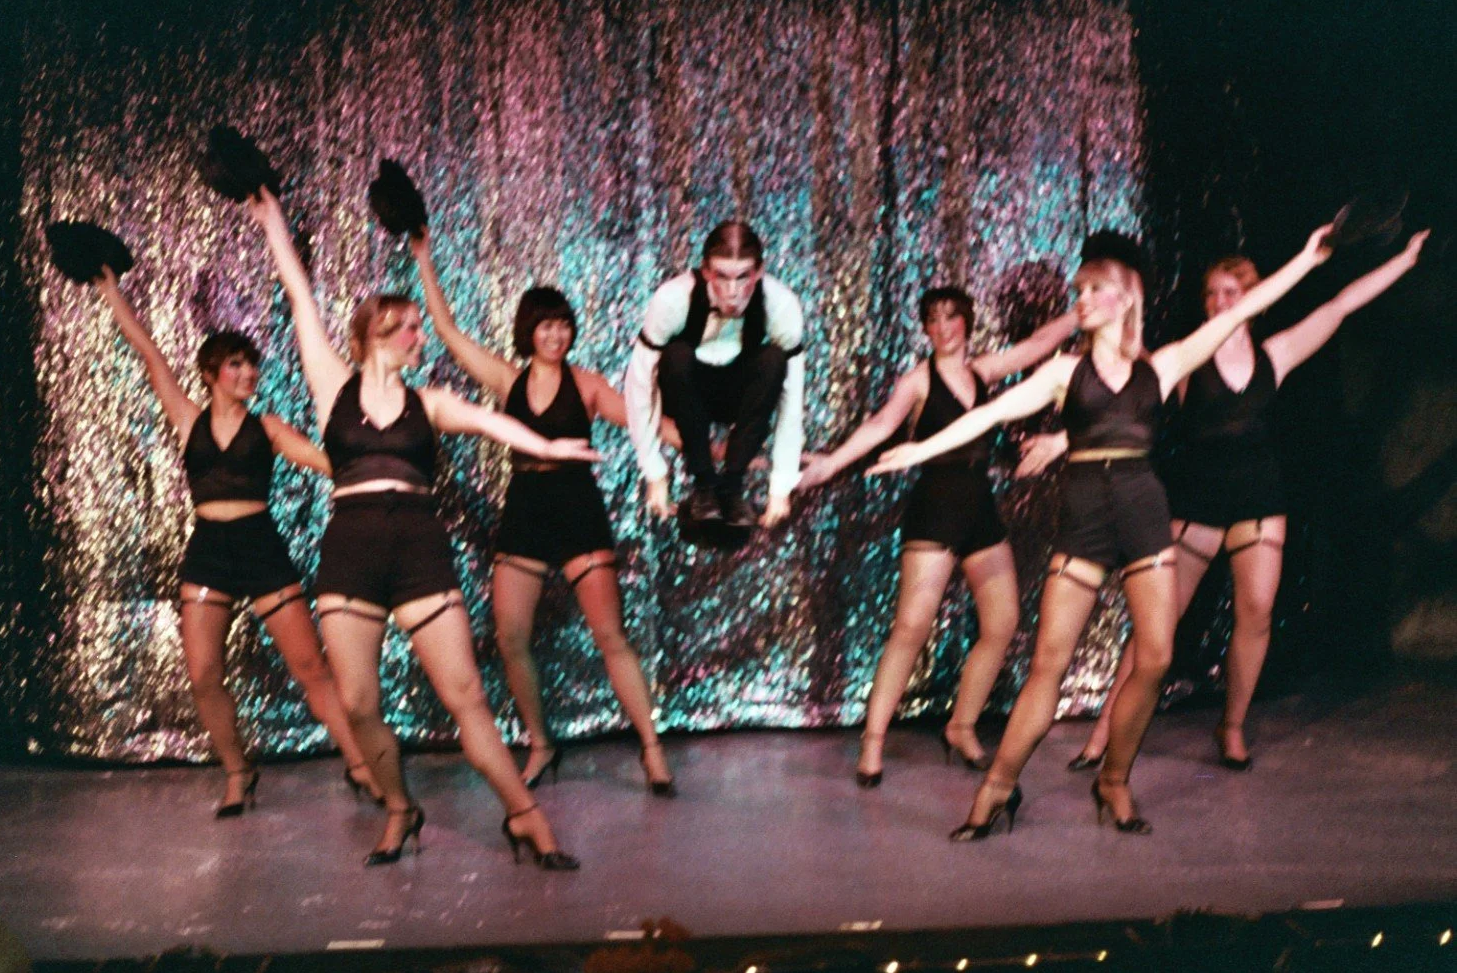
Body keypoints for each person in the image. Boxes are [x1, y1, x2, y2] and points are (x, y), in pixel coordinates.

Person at [868, 225, 1332, 837]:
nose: (1080, 298)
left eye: (1093, 289)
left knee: (1157, 656)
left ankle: (1113, 780)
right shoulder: (1065, 372)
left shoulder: (1163, 367)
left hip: (1142, 507)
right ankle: (996, 790)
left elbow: (1242, 309)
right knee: (1047, 667)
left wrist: (1306, 256)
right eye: (1078, 288)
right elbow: (990, 412)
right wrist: (918, 448)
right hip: (1085, 515)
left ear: (1126, 299)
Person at [245, 188, 596, 868]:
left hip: (417, 547)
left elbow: (497, 423)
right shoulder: (330, 384)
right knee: (356, 702)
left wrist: (550, 448)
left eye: (417, 327)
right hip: (350, 549)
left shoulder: (428, 401)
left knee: (465, 694)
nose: (418, 336)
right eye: (407, 327)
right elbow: (298, 296)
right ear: (374, 331)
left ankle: (526, 817)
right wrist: (273, 223)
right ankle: (401, 807)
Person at [1036, 230, 1429, 771]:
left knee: (1257, 614)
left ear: (1253, 295)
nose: (1220, 302)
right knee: (1160, 623)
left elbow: (1340, 305)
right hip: (1197, 497)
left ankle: (1233, 725)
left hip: (1259, 496)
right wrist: (1063, 438)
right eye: (1212, 294)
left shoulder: (1277, 353)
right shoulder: (1187, 357)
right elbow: (1116, 398)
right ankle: (1105, 732)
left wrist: (1406, 261)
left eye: (1230, 292)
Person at [90, 266, 379, 817]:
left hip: (259, 547)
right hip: (208, 552)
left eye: (251, 364)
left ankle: (362, 763)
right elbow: (148, 351)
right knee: (202, 675)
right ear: (211, 373)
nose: (248, 373)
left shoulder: (267, 427)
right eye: (236, 365)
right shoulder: (187, 418)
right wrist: (109, 290)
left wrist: (377, 466)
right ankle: (238, 771)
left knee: (311, 669)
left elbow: (328, 463)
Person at [409, 230, 676, 794]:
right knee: (510, 638)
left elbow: (648, 423)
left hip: (579, 510)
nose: (556, 334)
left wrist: (715, 452)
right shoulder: (509, 379)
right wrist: (425, 260)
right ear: (528, 330)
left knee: (611, 636)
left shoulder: (587, 384)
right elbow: (448, 333)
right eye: (545, 325)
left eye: (563, 324)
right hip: (526, 512)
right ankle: (541, 743)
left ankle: (652, 748)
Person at [798, 287, 1079, 784]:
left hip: (980, 512)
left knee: (1002, 623)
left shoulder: (982, 371)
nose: (945, 327)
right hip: (935, 511)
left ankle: (962, 726)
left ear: (967, 323)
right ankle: (873, 742)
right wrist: (830, 464)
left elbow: (1036, 347)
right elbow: (881, 425)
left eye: (952, 317)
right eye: (934, 319)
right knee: (910, 628)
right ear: (925, 328)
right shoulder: (917, 381)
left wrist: (1082, 314)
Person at [624, 221, 805, 529]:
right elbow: (640, 385)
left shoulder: (781, 304)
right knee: (676, 356)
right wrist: (654, 471)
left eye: (743, 277)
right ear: (706, 271)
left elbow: (792, 400)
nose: (733, 293)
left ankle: (732, 486)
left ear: (759, 272)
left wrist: (781, 487)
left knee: (775, 360)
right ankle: (704, 484)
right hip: (687, 394)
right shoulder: (672, 299)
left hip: (742, 396)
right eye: (722, 276)